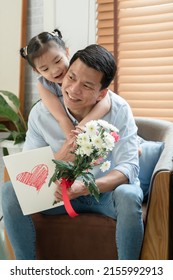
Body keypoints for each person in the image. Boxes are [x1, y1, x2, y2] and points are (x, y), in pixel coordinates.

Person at [1, 44, 144, 260]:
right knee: (9, 191)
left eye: (87, 85)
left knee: (129, 194)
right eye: (71, 77)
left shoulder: (119, 109)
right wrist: (62, 157)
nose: (73, 90)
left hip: (104, 195)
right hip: (58, 195)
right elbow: (30, 171)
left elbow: (129, 167)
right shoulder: (41, 113)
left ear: (101, 94)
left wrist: (86, 187)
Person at [20, 29, 111, 139]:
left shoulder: (80, 70)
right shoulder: (44, 85)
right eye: (45, 69)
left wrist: (81, 127)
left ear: (67, 52)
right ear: (37, 71)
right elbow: (61, 118)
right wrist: (73, 139)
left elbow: (105, 102)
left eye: (58, 61)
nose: (55, 71)